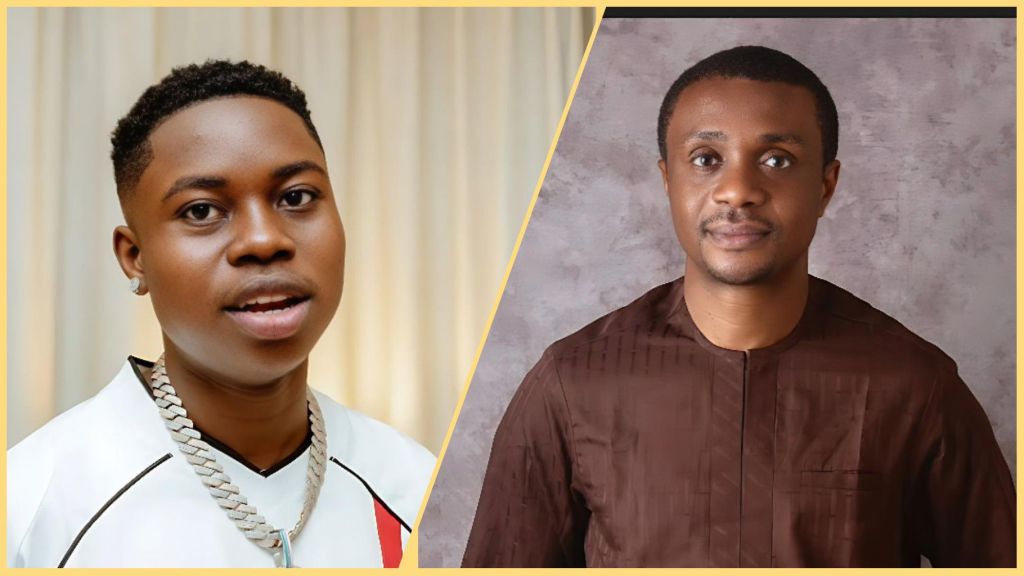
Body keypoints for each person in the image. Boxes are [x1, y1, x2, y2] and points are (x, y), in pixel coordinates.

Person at [462, 45, 1015, 568]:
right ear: (667, 180)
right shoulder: (572, 383)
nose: (737, 190)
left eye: (777, 160)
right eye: (706, 159)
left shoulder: (915, 385)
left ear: (825, 187)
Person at [8, 60, 435, 568]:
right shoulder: (31, 507)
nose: (264, 240)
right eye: (202, 211)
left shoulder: (418, 489)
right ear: (134, 257)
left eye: (296, 197)